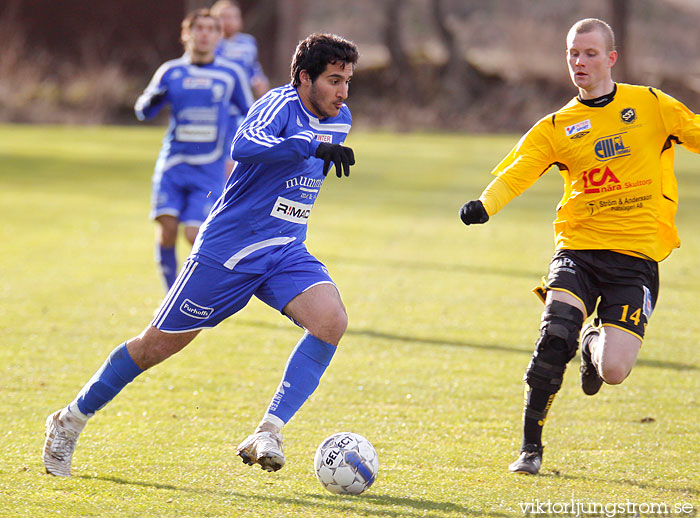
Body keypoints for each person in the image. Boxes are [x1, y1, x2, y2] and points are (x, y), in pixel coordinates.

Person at [43, 33, 358, 477]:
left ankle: (268, 430)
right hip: (228, 251)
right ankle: (69, 420)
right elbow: (243, 146)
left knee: (331, 321)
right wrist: (307, 143)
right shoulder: (277, 104)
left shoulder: (340, 117)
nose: (343, 92)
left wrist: (314, 151)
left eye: (347, 81)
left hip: (285, 248)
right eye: (333, 80)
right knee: (154, 346)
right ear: (304, 78)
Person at [459, 18, 700, 475]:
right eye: (573, 53)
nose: (579, 62)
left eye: (590, 53)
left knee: (614, 370)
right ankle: (531, 448)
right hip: (579, 250)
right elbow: (518, 171)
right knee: (554, 336)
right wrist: (485, 205)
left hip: (635, 260)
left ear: (611, 58)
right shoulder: (557, 126)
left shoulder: (650, 105)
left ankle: (593, 343)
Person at [135, 9, 254, 292]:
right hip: (173, 163)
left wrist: (236, 154)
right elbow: (143, 111)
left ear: (218, 36)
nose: (204, 34)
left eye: (211, 29)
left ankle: (206, 288)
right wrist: (153, 99)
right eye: (198, 28)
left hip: (209, 167)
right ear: (186, 34)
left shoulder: (230, 73)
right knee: (166, 231)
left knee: (193, 233)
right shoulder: (171, 71)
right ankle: (169, 294)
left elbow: (251, 116)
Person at [211, 0, 270, 99]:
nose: (230, 21)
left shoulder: (248, 42)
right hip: (219, 92)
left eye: (234, 17)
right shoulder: (211, 43)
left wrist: (260, 80)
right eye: (225, 17)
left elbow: (254, 67)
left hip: (244, 93)